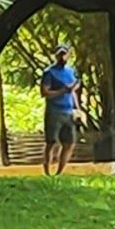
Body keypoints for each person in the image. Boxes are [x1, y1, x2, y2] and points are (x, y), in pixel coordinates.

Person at [38, 44, 84, 175]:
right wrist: (62, 91)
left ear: (68, 55)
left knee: (69, 143)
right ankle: (47, 171)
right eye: (59, 54)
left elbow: (73, 91)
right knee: (51, 142)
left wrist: (78, 109)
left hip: (69, 112)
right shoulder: (49, 72)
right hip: (54, 111)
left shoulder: (70, 71)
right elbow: (44, 92)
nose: (62, 57)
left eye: (64, 54)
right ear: (55, 55)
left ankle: (59, 172)